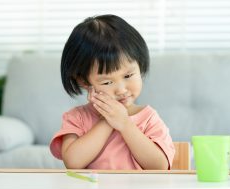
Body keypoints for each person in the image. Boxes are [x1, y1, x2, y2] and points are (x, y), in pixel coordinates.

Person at [50, 14, 175, 170]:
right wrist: (107, 121)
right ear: (84, 81)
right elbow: (73, 163)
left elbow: (159, 166)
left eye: (128, 75)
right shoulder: (77, 118)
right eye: (107, 82)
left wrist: (125, 124)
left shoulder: (148, 118)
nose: (122, 90)